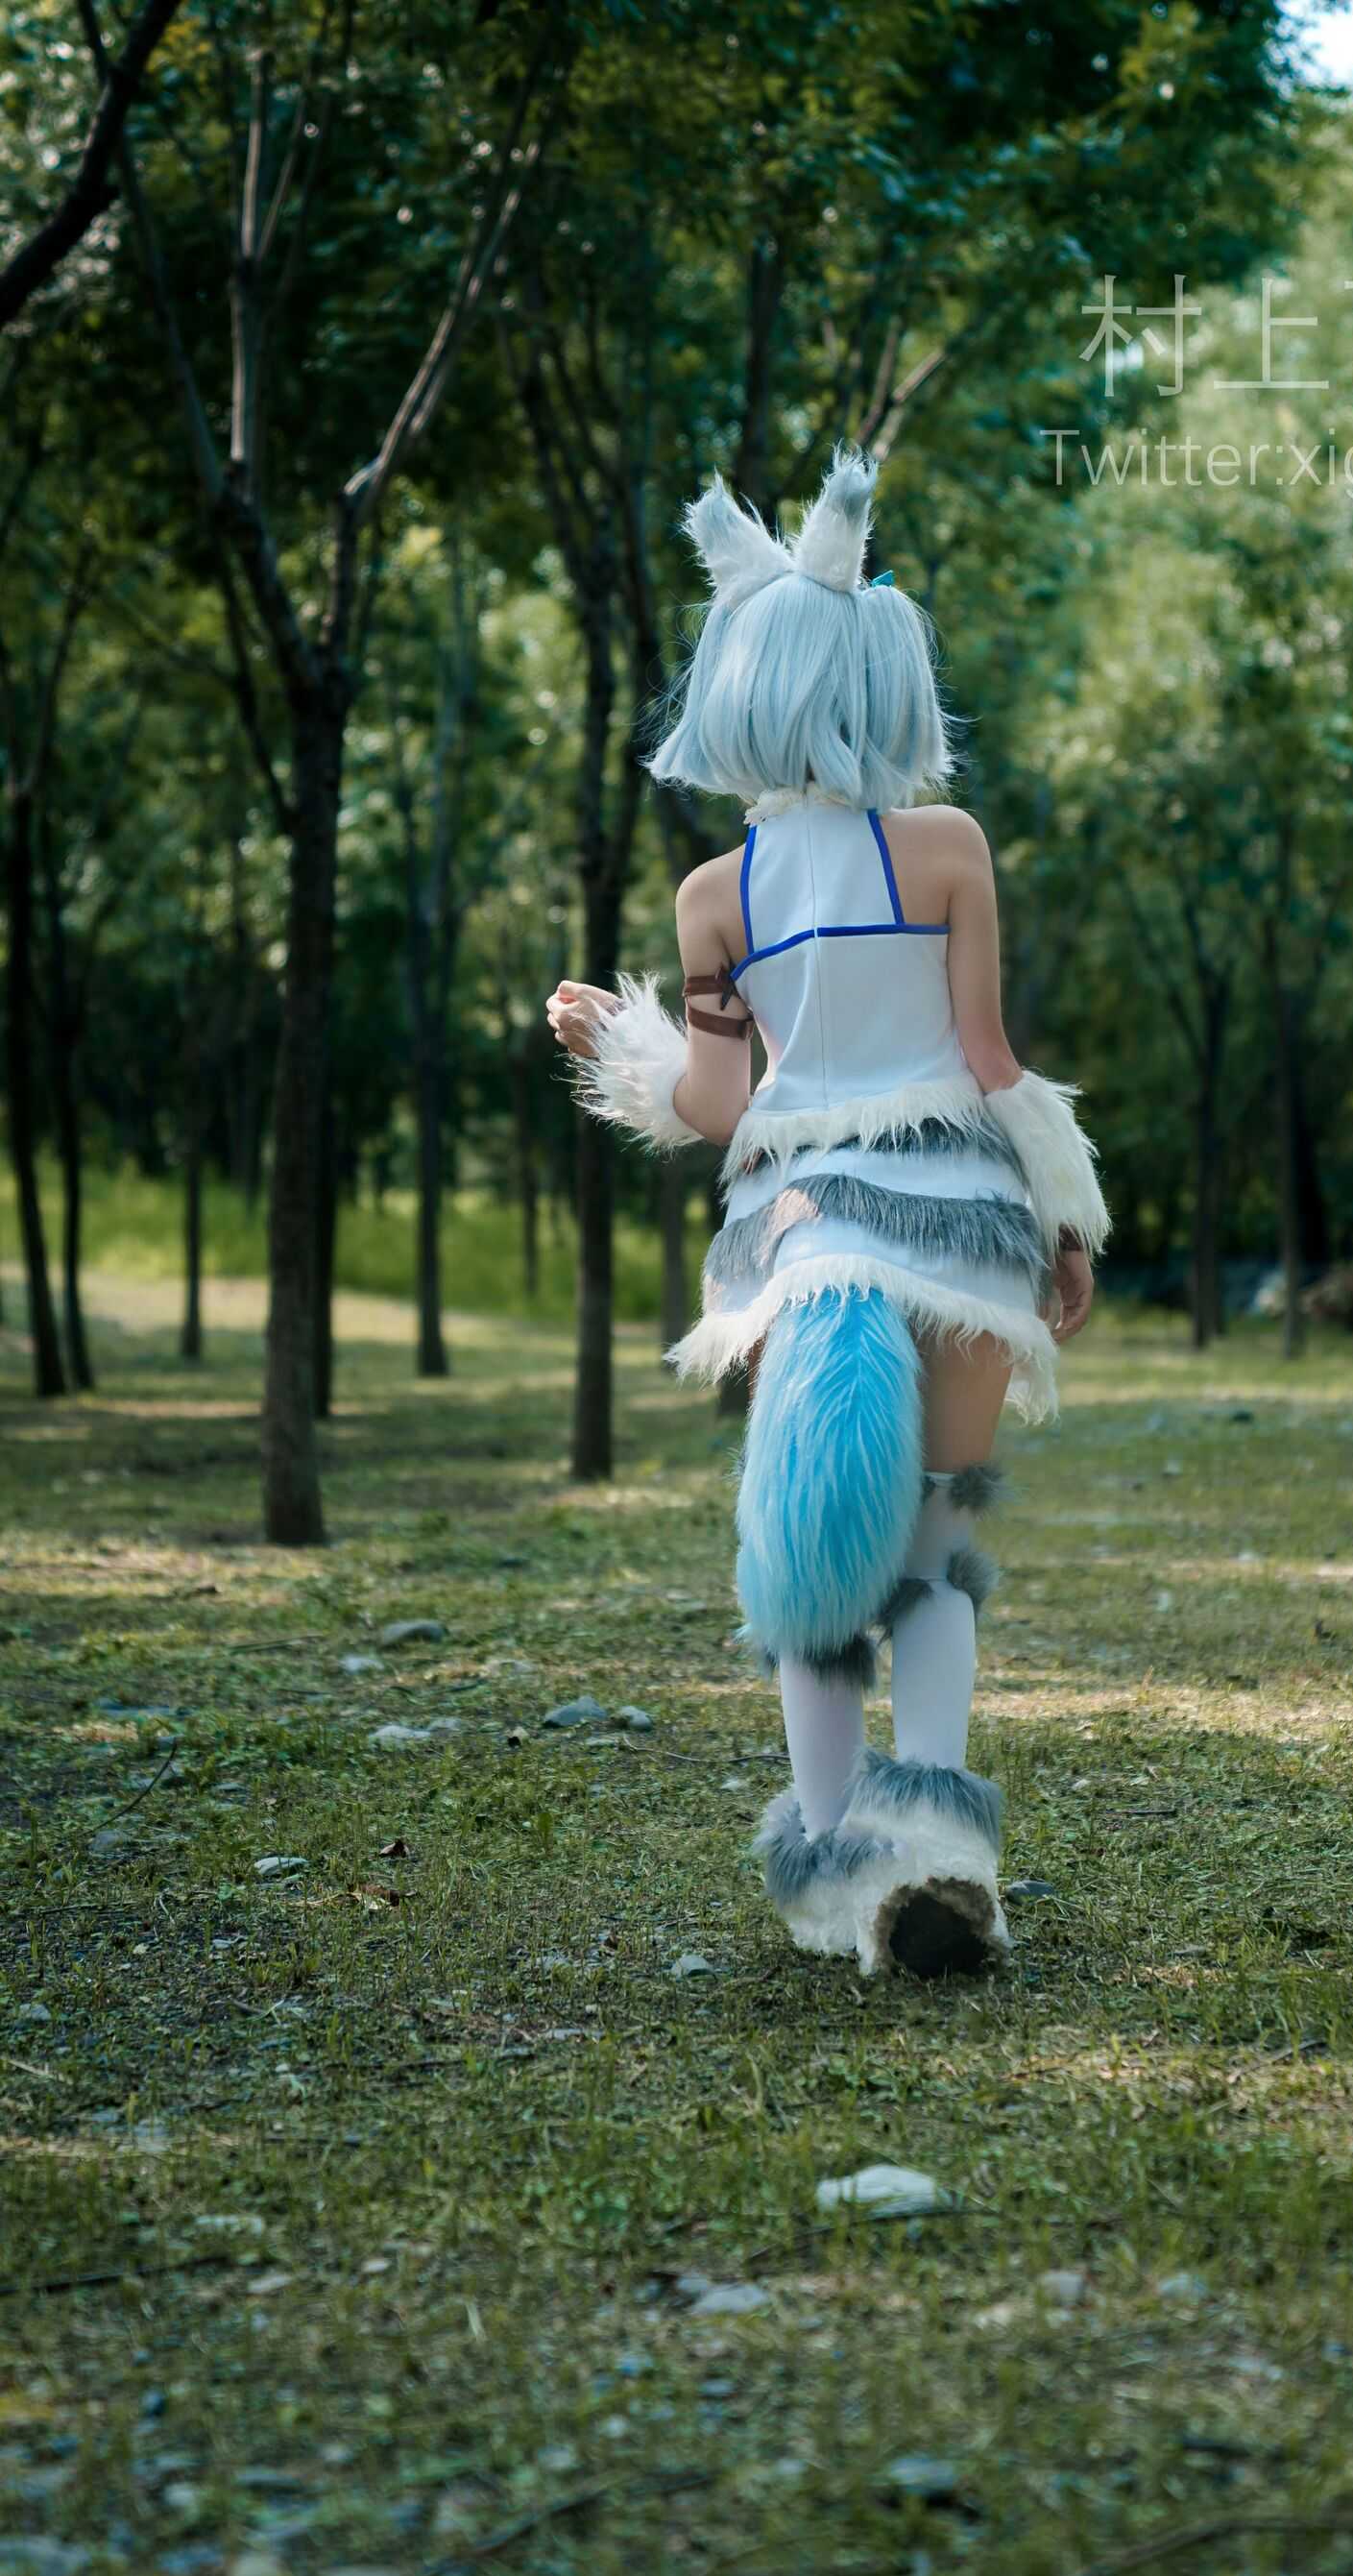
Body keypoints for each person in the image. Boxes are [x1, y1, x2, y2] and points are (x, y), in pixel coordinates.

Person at [547, 447, 1107, 1981]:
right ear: (880, 678)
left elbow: (721, 1105)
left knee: (813, 1574)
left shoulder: (711, 897)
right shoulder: (948, 849)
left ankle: (837, 1873)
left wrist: (620, 1047)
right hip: (964, 1237)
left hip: (806, 1243)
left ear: (740, 685)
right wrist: (1065, 1221)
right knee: (933, 1553)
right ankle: (945, 1859)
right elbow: (990, 1062)